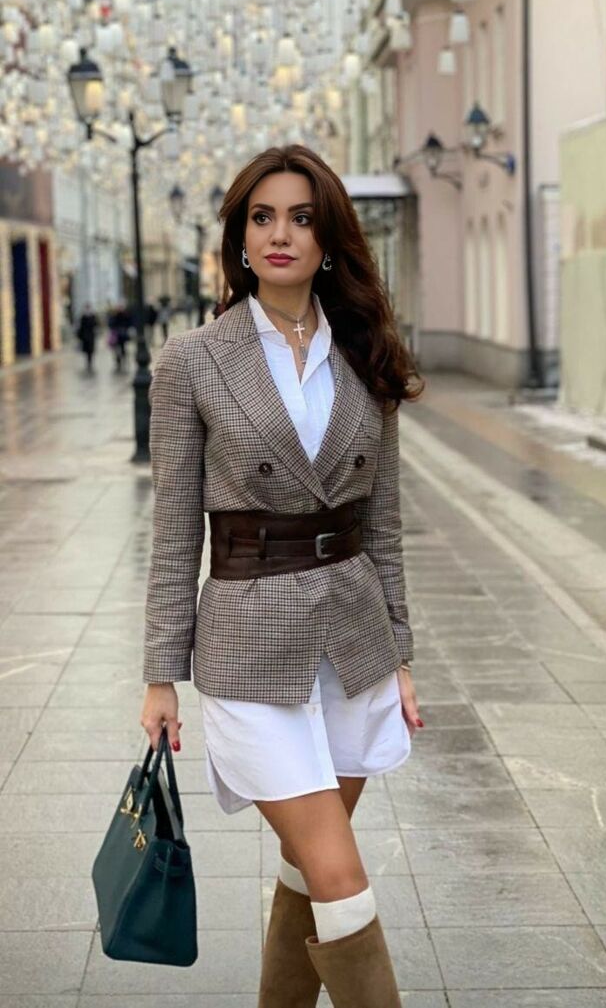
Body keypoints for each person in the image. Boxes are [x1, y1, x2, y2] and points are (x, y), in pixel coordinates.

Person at [140, 144, 425, 1007]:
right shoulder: (192, 360)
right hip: (248, 645)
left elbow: (383, 524)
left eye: (302, 217)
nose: (281, 233)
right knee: (340, 874)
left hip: (352, 642)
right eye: (262, 216)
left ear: (329, 239)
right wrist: (160, 673)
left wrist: (400, 652)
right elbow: (173, 528)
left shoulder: (365, 352)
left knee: (308, 868)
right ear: (240, 236)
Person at [107, 301, 132, 372]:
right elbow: (110, 324)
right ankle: (118, 363)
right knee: (117, 351)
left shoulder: (126, 315)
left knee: (123, 349)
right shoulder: (114, 315)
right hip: (116, 336)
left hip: (123, 336)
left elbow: (129, 323)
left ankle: (124, 361)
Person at [76, 303, 98, 372]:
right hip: (85, 336)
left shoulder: (93, 316)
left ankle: (90, 363)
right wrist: (80, 336)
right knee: (86, 351)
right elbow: (80, 327)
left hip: (91, 336)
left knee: (91, 351)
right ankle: (88, 363)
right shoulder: (83, 317)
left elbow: (95, 325)